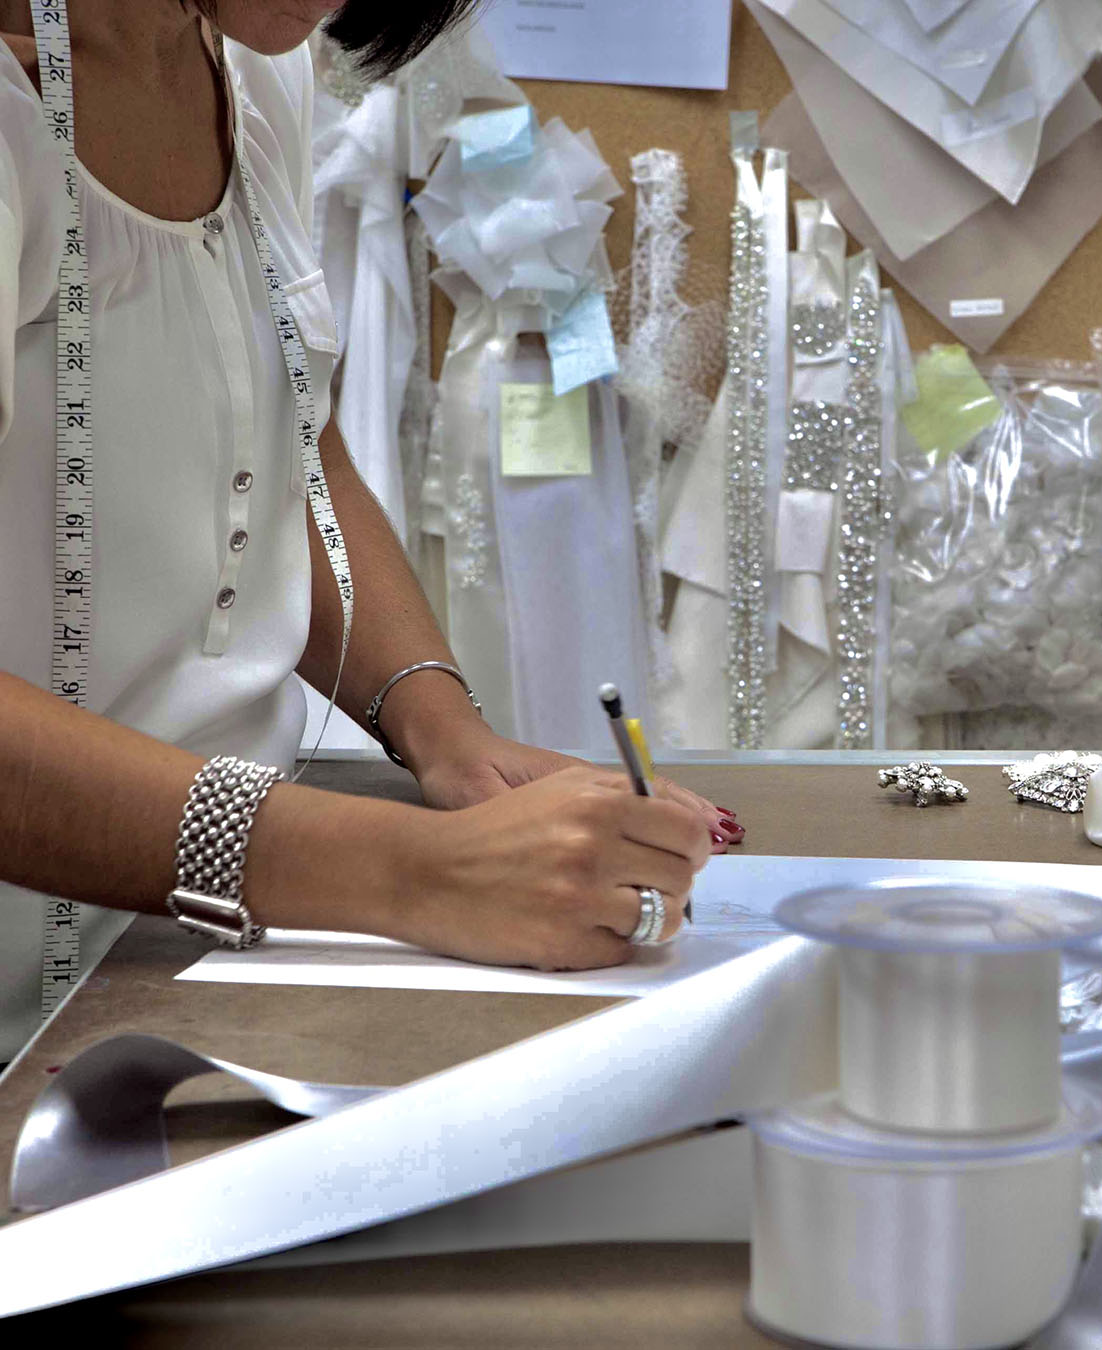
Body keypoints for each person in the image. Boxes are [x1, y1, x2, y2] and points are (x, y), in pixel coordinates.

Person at [0, 0, 745, 1064]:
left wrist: (445, 733)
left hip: (204, 948)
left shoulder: (255, 71)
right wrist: (409, 871)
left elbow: (292, 443)